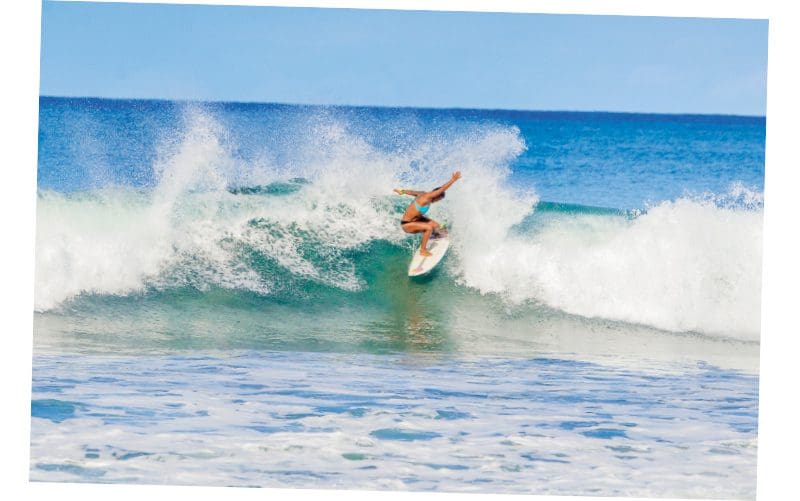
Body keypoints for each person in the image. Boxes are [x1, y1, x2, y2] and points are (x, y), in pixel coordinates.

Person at [394, 171, 461, 256]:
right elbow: (442, 189)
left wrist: (402, 191)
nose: (437, 201)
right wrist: (453, 180)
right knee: (429, 228)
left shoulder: (423, 194)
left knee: (437, 226)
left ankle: (435, 234)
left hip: (416, 220)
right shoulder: (427, 197)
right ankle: (423, 250)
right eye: (439, 199)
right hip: (407, 224)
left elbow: (412, 192)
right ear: (436, 195)